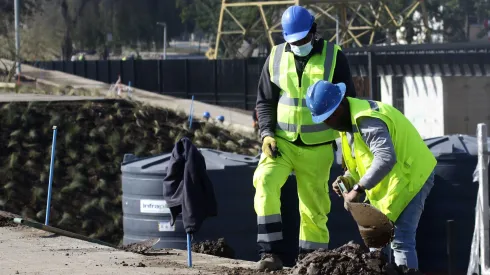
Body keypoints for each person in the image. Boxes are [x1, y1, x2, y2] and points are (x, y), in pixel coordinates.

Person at [253, 5, 357, 271]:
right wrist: (266, 133)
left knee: (314, 208)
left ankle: (310, 263)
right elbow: (265, 101)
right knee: (264, 181)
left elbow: (348, 104)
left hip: (318, 146)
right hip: (282, 143)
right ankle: (270, 254)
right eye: (293, 41)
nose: (298, 45)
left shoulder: (334, 57)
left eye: (302, 40)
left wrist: (350, 150)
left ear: (314, 31)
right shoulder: (275, 57)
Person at [305, 80, 437, 272]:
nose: (327, 124)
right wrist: (348, 180)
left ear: (339, 107)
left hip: (412, 175)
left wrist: (358, 189)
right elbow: (362, 161)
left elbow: (385, 158)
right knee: (377, 245)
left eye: (328, 118)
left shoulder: (366, 120)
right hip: (393, 178)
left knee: (401, 239)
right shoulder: (348, 123)